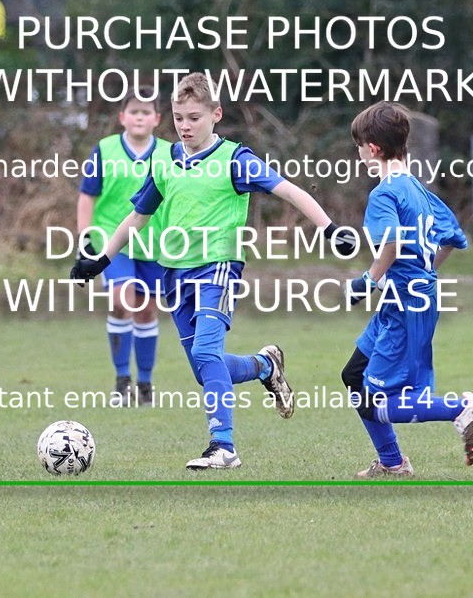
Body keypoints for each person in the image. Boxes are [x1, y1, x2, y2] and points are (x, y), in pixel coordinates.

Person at [71, 72, 355, 470]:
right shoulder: (165, 160)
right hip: (175, 274)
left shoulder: (235, 160)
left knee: (206, 351)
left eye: (194, 118)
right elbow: (137, 217)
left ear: (215, 115)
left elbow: (288, 190)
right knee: (207, 369)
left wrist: (330, 229)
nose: (185, 126)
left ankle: (223, 447)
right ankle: (264, 366)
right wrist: (100, 260)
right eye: (178, 118)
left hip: (218, 267)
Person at [341, 100, 473, 478]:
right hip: (410, 299)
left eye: (359, 146)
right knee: (354, 376)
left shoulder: (385, 193)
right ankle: (392, 461)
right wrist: (425, 272)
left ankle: (461, 407)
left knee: (378, 402)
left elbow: (390, 242)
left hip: (405, 303)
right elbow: (453, 238)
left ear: (372, 148)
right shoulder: (420, 192)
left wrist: (369, 280)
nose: (359, 154)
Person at [73, 89, 170, 406]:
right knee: (120, 301)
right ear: (122, 118)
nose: (140, 117)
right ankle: (121, 380)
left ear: (156, 119)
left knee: (145, 310)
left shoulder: (170, 153)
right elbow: (87, 196)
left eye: (146, 112)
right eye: (134, 112)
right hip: (113, 242)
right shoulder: (104, 150)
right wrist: (85, 238)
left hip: (154, 244)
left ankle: (144, 384)